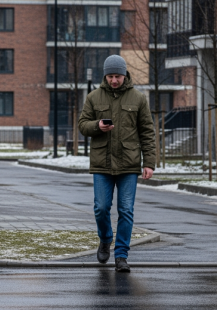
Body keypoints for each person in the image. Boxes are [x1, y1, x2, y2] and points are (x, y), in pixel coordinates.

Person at [78, 55, 156, 273]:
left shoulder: (138, 98)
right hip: (102, 164)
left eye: (118, 76)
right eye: (110, 76)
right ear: (105, 75)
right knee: (101, 208)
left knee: (126, 210)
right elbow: (83, 125)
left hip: (128, 165)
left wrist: (149, 162)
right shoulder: (94, 97)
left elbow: (147, 133)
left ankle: (121, 255)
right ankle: (105, 239)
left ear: (125, 75)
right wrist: (97, 126)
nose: (114, 80)